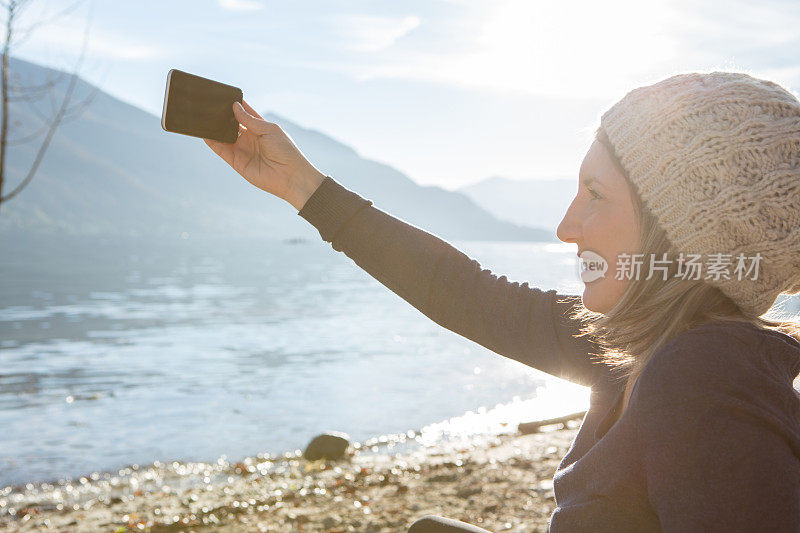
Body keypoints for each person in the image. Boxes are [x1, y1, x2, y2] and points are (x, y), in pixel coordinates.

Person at [204, 71, 800, 532]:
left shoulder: (702, 378)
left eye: (595, 195)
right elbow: (462, 293)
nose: (566, 227)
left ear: (682, 230)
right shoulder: (639, 347)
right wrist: (298, 185)